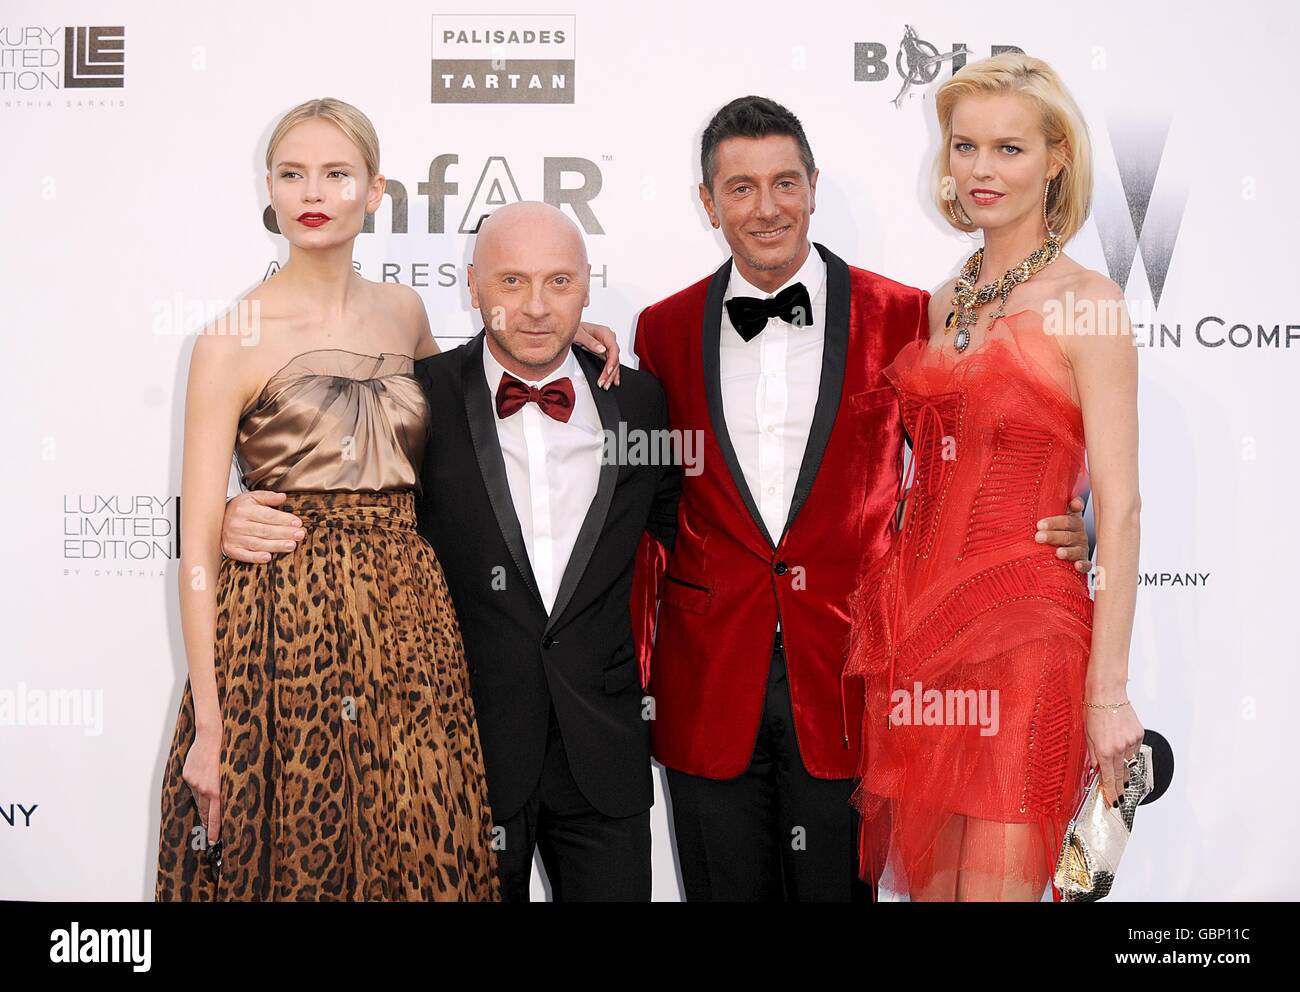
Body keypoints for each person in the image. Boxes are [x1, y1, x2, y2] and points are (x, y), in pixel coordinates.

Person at [630, 95, 1094, 901]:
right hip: (706, 683)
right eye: (740, 188)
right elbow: (650, 500)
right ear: (707, 203)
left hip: (854, 679)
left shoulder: (907, 314)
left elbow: (974, 455)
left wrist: (1063, 521)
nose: (766, 207)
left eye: (784, 183)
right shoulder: (658, 331)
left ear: (813, 186)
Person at [156, 98, 617, 901]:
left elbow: (477, 403)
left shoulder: (404, 313)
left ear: (375, 192)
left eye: (337, 174)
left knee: (419, 847)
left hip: (407, 627)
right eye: (293, 173)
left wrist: (560, 337)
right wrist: (211, 723)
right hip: (279, 627)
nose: (314, 191)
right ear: (268, 187)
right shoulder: (230, 338)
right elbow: (195, 547)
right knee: (304, 854)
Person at [221, 200, 681, 901]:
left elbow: (689, 538)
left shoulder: (641, 401)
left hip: (605, 754)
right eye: (511, 282)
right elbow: (336, 505)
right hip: (457, 745)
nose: (534, 307)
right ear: (472, 287)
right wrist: (232, 514)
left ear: (589, 286)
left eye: (559, 283)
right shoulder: (415, 398)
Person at [843, 53, 1146, 901]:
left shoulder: (1090, 302)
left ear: (1057, 158)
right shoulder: (946, 301)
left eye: (1008, 149)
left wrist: (1109, 695)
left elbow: (1118, 512)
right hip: (921, 635)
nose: (980, 170)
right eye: (965, 146)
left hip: (1028, 638)